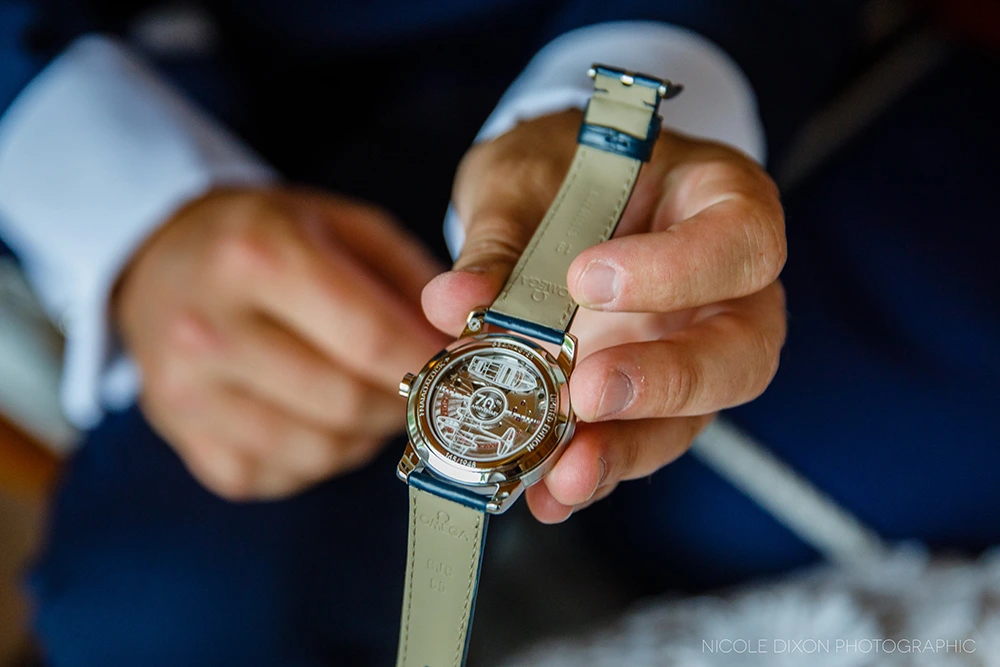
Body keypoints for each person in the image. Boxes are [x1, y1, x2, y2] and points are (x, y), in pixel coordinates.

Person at [0, 1, 995, 665]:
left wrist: (637, 92)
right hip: (197, 124)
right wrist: (133, 218)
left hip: (718, 103)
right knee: (158, 612)